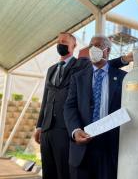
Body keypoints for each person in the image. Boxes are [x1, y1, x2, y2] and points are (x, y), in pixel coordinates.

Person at [34, 32, 131, 179]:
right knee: (49, 171)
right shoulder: (51, 70)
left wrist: (124, 60)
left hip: (69, 131)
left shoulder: (81, 64)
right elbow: (46, 97)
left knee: (63, 171)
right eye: (59, 41)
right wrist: (40, 125)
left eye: (65, 42)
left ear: (74, 46)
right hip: (49, 129)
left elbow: (104, 65)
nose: (61, 44)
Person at [64, 35, 126, 179]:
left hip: (109, 148)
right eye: (91, 45)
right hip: (82, 148)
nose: (93, 49)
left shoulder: (123, 77)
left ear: (107, 50)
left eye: (98, 46)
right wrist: (76, 130)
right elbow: (69, 107)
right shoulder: (78, 77)